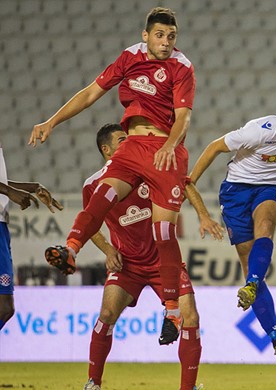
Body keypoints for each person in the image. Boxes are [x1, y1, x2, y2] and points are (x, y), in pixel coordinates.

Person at [28, 7, 195, 346]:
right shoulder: (128, 58)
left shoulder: (182, 67)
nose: (166, 43)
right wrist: (51, 122)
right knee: (103, 195)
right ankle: (71, 249)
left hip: (166, 148)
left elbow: (183, 118)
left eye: (171, 37)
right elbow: (90, 93)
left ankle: (172, 310)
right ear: (146, 35)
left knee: (164, 231)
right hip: (132, 146)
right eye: (160, 35)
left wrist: (171, 145)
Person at [185, 104, 276, 371]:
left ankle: (251, 284)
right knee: (248, 258)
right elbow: (215, 147)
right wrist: (190, 181)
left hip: (271, 188)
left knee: (265, 223)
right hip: (236, 191)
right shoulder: (258, 131)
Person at [76, 124, 213, 390]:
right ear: (107, 150)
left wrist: (203, 215)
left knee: (192, 317)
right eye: (123, 140)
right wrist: (108, 248)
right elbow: (91, 222)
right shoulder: (93, 185)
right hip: (128, 266)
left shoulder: (152, 167)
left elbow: (185, 184)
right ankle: (93, 383)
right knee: (106, 315)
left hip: (164, 263)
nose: (132, 143)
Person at [0, 145, 63, 330]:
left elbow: (2, 181)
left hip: (2, 225)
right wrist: (9, 192)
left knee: (5, 308)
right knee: (4, 307)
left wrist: (32, 187)